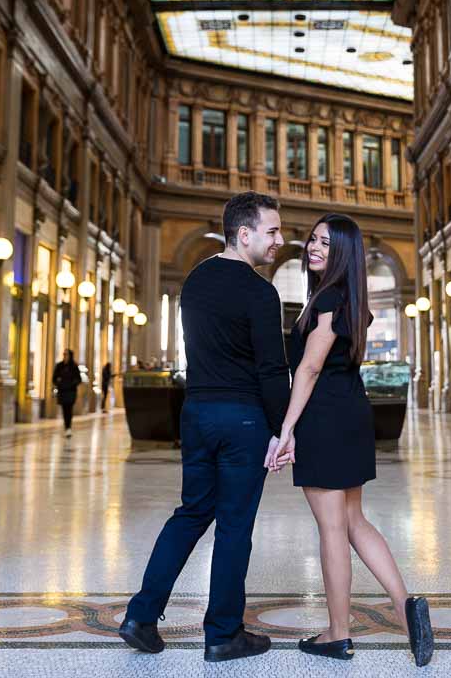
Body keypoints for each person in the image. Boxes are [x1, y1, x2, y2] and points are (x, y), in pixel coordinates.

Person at [119, 192, 292, 662]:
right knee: (234, 526)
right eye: (272, 231)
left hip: (196, 413)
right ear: (244, 233)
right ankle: (223, 633)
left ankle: (140, 615)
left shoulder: (195, 281)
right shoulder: (260, 291)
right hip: (243, 419)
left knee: (191, 513)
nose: (280, 240)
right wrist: (284, 429)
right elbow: (272, 370)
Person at [269, 213, 434, 668]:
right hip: (351, 412)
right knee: (354, 520)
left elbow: (308, 367)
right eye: (312, 240)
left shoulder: (328, 298)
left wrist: (286, 428)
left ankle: (338, 634)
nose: (313, 248)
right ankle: (407, 610)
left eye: (324, 242)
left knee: (332, 530)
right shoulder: (353, 299)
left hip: (324, 417)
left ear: (342, 251)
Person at [52, 349, 82, 438]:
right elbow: (54, 378)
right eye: (64, 354)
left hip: (71, 392)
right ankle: (67, 427)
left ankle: (68, 427)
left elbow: (79, 379)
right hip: (62, 392)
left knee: (69, 409)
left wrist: (72, 383)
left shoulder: (74, 366)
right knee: (65, 410)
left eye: (66, 354)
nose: (65, 356)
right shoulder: (59, 366)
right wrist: (59, 382)